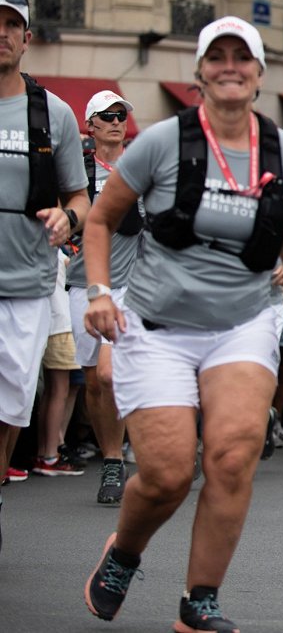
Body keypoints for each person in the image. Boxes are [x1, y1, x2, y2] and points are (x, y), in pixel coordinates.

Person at [81, 16, 283, 629]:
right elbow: (101, 219)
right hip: (158, 326)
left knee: (233, 456)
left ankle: (199, 601)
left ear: (260, 73)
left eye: (243, 57)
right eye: (217, 56)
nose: (230, 66)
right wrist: (100, 292)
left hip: (242, 325)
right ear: (198, 72)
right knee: (165, 475)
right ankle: (125, 551)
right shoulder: (162, 142)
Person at [0, 0, 90, 554]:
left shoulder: (50, 113)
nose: (1, 33)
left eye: (11, 25)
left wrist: (68, 221)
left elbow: (81, 197)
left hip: (28, 285)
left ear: (27, 38)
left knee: (9, 404)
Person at [67, 90, 140, 504]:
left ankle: (130, 453)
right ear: (90, 125)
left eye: (121, 115)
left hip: (136, 287)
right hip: (87, 284)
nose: (116, 121)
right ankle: (113, 459)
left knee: (113, 374)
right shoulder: (77, 174)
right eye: (107, 116)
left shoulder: (142, 168)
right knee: (95, 381)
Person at [34, 252, 85, 477]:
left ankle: (48, 452)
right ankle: (50, 455)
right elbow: (73, 265)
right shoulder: (51, 249)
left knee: (56, 391)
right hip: (61, 324)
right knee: (59, 392)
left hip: (55, 323)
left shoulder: (46, 247)